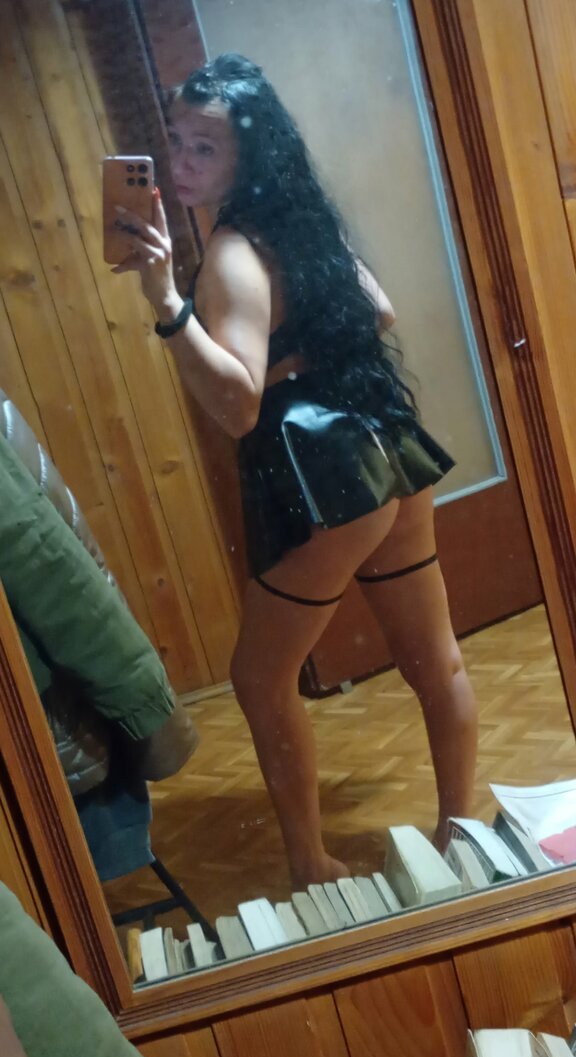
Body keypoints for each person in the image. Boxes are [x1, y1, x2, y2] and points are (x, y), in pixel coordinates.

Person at [111, 53, 478, 888]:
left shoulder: (232, 254)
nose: (180, 162)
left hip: (329, 476)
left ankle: (311, 860)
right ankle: (460, 829)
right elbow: (378, 312)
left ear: (249, 154)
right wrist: (299, 362)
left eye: (205, 147)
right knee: (436, 659)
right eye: (176, 140)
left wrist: (166, 304)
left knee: (258, 677)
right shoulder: (305, 219)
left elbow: (237, 408)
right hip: (388, 447)